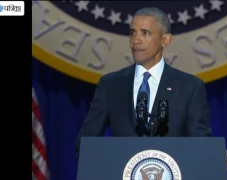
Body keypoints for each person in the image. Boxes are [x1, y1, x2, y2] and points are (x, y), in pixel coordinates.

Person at [75, 6, 216, 161]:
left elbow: (201, 144)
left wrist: (214, 157)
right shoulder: (110, 85)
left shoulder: (190, 87)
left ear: (165, 40)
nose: (136, 40)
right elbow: (85, 143)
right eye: (132, 32)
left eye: (145, 33)